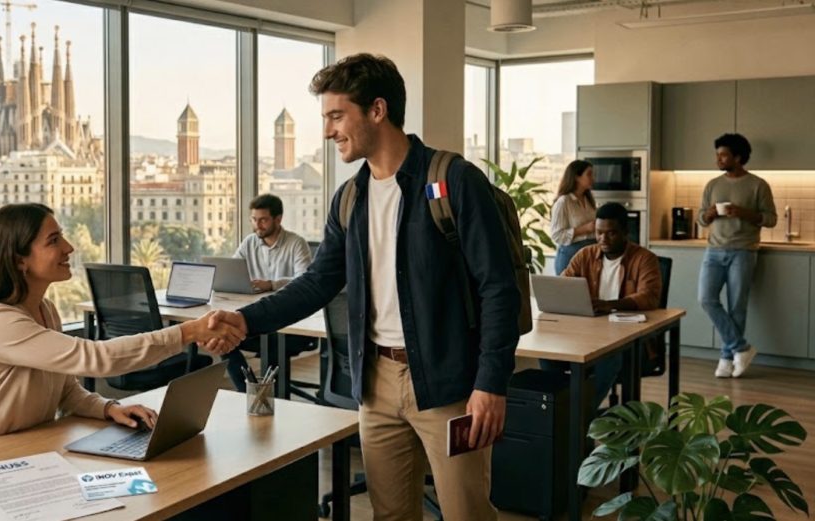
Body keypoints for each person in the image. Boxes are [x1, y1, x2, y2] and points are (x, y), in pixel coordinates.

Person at [206, 53, 520, 521]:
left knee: (466, 515)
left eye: (336, 116)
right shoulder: (350, 198)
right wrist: (245, 320)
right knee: (389, 515)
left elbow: (499, 289)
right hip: (375, 385)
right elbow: (317, 283)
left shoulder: (453, 181)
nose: (328, 131)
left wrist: (490, 384)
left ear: (377, 110)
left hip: (450, 383)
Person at [0, 204, 244, 448]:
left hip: (28, 443)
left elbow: (65, 391)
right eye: (53, 241)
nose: (69, 247)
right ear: (19, 260)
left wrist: (108, 408)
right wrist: (188, 332)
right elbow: (95, 358)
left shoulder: (45, 310)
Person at [547, 202, 662, 411]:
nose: (603, 239)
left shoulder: (645, 259)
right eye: (599, 233)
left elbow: (649, 297)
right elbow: (563, 285)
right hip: (587, 336)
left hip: (629, 342)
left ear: (625, 232)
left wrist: (609, 305)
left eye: (611, 234)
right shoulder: (585, 255)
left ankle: (580, 417)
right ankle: (562, 411)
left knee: (608, 359)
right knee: (548, 355)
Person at [697, 133, 777, 378]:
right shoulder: (712, 184)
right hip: (714, 250)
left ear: (739, 157)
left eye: (723, 155)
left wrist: (744, 213)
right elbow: (701, 217)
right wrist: (708, 215)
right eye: (718, 155)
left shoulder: (758, 185)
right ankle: (741, 348)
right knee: (706, 299)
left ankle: (726, 359)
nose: (718, 159)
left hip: (743, 251)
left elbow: (771, 219)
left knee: (737, 308)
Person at [224, 194, 314, 391]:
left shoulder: (296, 243)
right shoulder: (250, 242)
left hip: (290, 322)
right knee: (223, 335)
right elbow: (233, 269)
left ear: (278, 219)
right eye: (254, 220)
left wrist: (272, 284)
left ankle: (274, 397)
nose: (257, 225)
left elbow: (306, 281)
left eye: (263, 220)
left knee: (273, 343)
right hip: (259, 317)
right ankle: (249, 390)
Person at [550, 159, 597, 274]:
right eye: (589, 174)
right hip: (570, 256)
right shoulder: (563, 202)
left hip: (591, 254)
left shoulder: (588, 200)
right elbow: (557, 235)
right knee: (568, 291)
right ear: (577, 177)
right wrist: (584, 229)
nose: (593, 178)